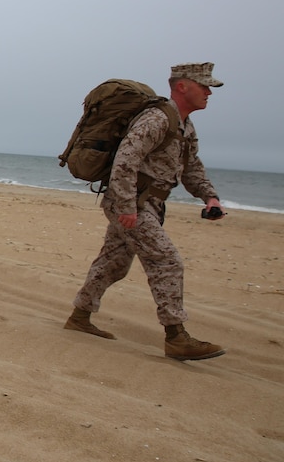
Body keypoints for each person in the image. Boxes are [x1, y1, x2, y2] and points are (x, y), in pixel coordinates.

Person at [65, 62, 227, 361]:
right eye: (204, 85)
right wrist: (126, 207)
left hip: (146, 203)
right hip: (132, 204)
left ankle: (79, 316)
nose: (208, 91)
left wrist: (210, 197)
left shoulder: (185, 125)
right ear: (182, 86)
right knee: (167, 261)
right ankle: (176, 336)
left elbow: (191, 167)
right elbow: (126, 158)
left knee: (113, 262)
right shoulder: (157, 119)